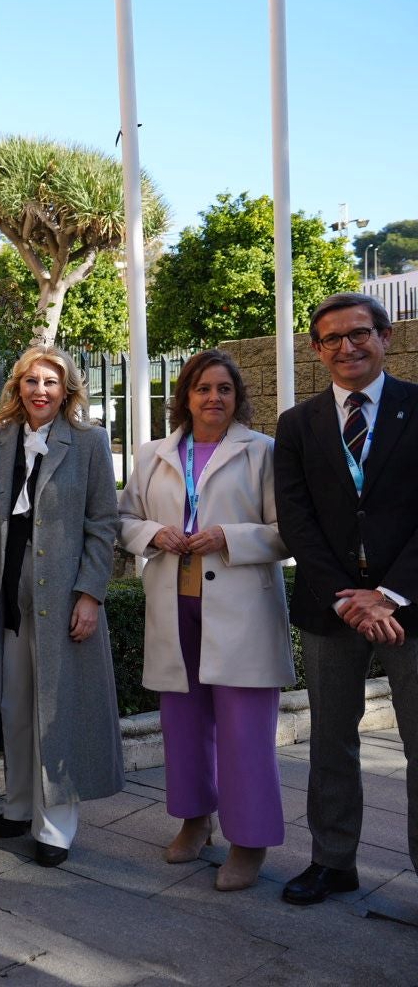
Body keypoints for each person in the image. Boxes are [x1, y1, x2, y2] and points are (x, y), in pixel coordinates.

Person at [117, 351, 293, 891]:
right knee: (183, 724)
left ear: (238, 397)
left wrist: (227, 537)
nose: (213, 398)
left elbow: (288, 531)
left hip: (241, 608)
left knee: (245, 732)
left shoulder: (263, 451)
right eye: (202, 388)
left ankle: (250, 841)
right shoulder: (152, 455)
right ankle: (195, 822)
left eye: (224, 389)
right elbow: (122, 519)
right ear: (184, 396)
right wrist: (151, 534)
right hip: (174, 602)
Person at [274, 292, 418, 906]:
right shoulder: (297, 423)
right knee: (332, 739)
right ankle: (333, 862)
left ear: (384, 336)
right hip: (331, 611)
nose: (346, 347)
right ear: (316, 349)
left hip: (410, 609)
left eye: (359, 333)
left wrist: (385, 595)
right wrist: (346, 597)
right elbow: (297, 520)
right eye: (331, 339)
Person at [0, 345, 123, 867]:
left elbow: (103, 524)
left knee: (57, 705)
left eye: (51, 382)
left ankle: (55, 825)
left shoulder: (90, 442)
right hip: (4, 584)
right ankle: (20, 803)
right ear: (17, 387)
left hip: (64, 588)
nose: (41, 391)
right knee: (14, 701)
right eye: (32, 381)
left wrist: (91, 593)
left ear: (67, 388)